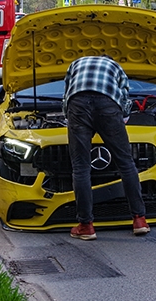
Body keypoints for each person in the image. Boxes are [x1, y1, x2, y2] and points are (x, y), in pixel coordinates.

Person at [63, 55, 150, 240]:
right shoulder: (115, 66)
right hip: (108, 104)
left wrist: (69, 118)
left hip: (78, 104)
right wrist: (123, 117)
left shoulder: (76, 63)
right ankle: (139, 220)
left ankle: (86, 226)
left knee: (81, 167)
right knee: (126, 163)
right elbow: (125, 93)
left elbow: (67, 92)